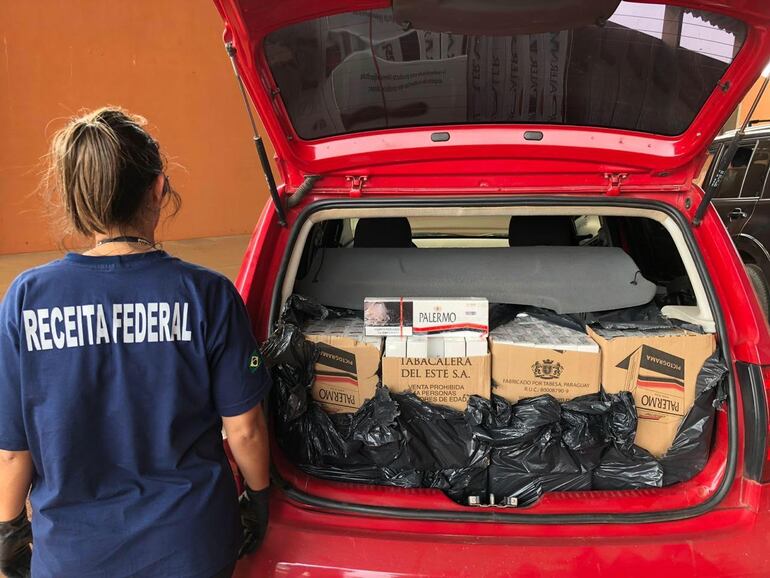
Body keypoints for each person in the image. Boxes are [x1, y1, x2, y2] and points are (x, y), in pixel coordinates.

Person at [0, 107, 271, 578]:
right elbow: (244, 429)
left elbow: (11, 452)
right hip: (190, 548)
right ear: (159, 188)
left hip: (73, 557)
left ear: (75, 197)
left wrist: (7, 537)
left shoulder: (26, 298)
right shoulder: (206, 293)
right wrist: (259, 498)